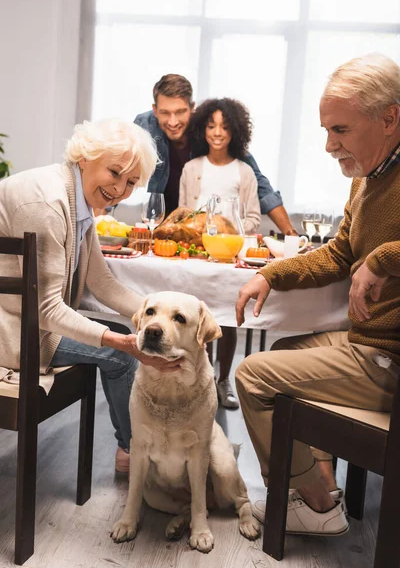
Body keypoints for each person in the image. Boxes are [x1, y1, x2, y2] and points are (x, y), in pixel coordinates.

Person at [234, 53, 400, 536]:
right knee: (285, 350)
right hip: (365, 345)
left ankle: (312, 502)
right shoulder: (368, 178)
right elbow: (340, 252)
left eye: (341, 130)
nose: (329, 146)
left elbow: (371, 255)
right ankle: (322, 487)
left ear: (389, 119)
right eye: (327, 131)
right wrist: (272, 274)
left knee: (252, 375)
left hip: (387, 358)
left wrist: (383, 258)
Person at [0, 119, 182, 474]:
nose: (120, 189)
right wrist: (123, 341)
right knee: (121, 355)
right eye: (115, 173)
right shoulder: (49, 203)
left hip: (28, 318)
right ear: (85, 157)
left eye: (131, 182)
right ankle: (137, 457)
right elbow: (48, 308)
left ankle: (139, 451)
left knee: (125, 343)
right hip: (11, 327)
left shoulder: (76, 197)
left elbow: (104, 284)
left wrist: (158, 316)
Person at [134, 73, 296, 234]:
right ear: (155, 110)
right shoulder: (145, 125)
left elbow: (259, 183)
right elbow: (120, 167)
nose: (173, 121)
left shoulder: (208, 129)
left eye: (180, 112)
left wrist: (290, 233)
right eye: (165, 113)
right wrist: (107, 214)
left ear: (192, 108)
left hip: (202, 228)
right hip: (162, 222)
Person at [179, 97, 261, 409]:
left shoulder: (244, 172)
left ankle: (223, 380)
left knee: (226, 318)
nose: (217, 132)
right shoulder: (191, 168)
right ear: (202, 130)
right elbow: (184, 212)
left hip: (228, 257)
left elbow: (253, 217)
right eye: (211, 126)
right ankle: (203, 380)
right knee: (200, 317)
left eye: (225, 127)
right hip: (198, 255)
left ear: (235, 132)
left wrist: (227, 225)